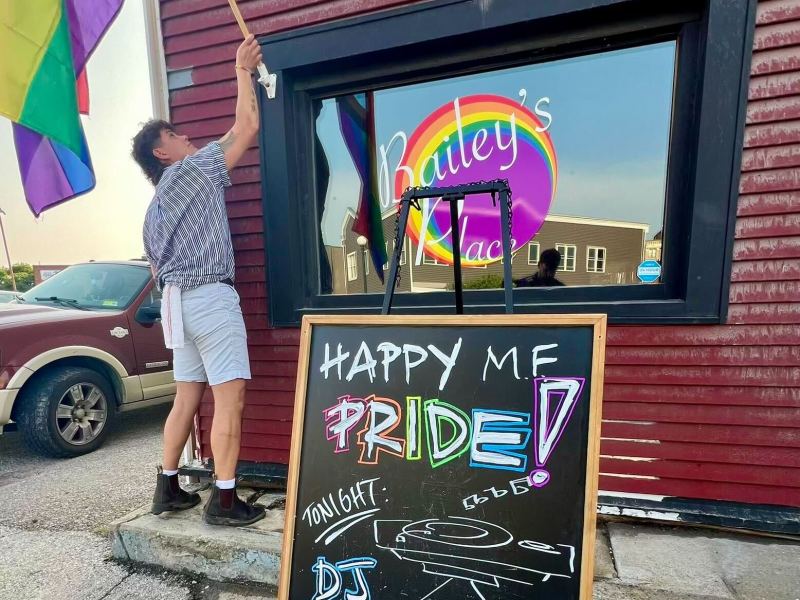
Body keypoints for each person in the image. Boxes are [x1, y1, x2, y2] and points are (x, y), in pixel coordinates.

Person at [131, 35, 265, 526]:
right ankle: (225, 501)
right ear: (163, 154)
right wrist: (242, 68)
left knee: (187, 395)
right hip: (208, 298)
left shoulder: (152, 213)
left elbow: (153, 270)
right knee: (231, 396)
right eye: (177, 135)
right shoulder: (189, 171)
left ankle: (167, 489)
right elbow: (246, 126)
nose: (188, 138)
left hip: (175, 306)